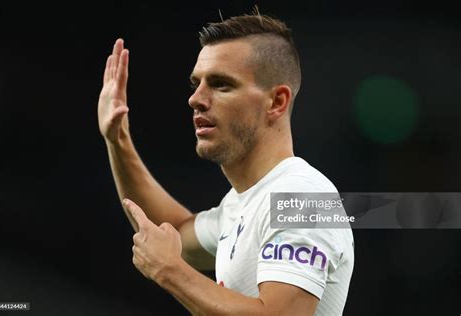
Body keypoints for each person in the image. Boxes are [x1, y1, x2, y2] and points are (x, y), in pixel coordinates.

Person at [98, 10, 354, 315]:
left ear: (277, 102)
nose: (196, 99)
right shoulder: (243, 203)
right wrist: (119, 141)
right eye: (197, 84)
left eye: (221, 84)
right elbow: (173, 232)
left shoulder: (302, 197)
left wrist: (170, 272)